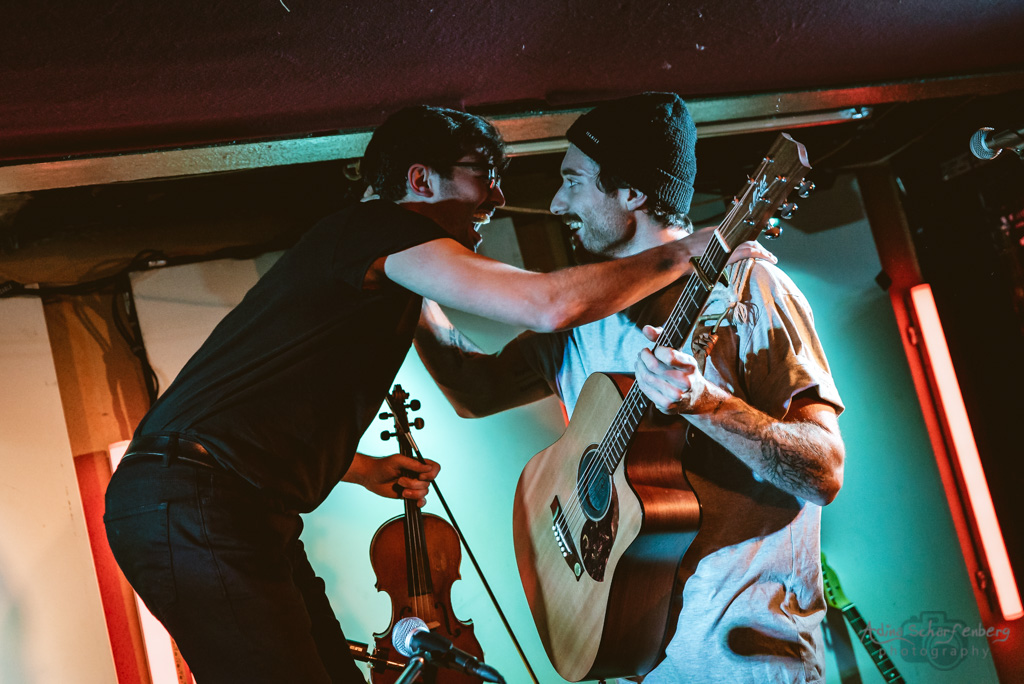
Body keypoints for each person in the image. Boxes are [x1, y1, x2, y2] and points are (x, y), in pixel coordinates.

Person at [102, 104, 732, 684]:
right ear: (421, 180)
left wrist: (358, 467)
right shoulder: (379, 228)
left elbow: (260, 411)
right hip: (195, 502)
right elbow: (548, 304)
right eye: (484, 174)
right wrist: (694, 249)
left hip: (221, 503)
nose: (498, 196)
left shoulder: (369, 252)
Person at [414, 93, 846, 683]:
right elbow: (474, 390)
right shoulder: (581, 314)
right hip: (635, 662)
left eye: (573, 181)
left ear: (633, 194)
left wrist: (704, 403)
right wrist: (406, 280)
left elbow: (823, 471)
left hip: (748, 666)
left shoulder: (750, 288)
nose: (556, 202)